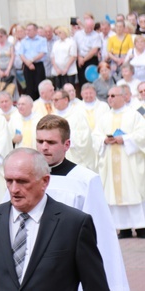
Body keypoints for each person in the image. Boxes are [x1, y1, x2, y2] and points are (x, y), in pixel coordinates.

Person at [0, 148, 109, 290]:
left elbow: (95, 286)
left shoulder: (74, 224)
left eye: (22, 181)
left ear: (45, 181)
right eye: (9, 181)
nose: (14, 189)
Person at [35, 115, 130, 291]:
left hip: (67, 266)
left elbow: (101, 235)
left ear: (67, 145)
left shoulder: (85, 180)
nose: (44, 147)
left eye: (51, 142)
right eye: (39, 141)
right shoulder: (24, 177)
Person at [92, 85, 145, 239]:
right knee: (114, 195)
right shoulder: (104, 117)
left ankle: (141, 227)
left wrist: (125, 139)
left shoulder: (135, 114)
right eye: (108, 96)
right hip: (111, 161)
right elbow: (95, 135)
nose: (110, 98)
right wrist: (104, 140)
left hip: (129, 162)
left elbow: (142, 133)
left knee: (132, 191)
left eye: (113, 96)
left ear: (123, 96)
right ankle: (123, 228)